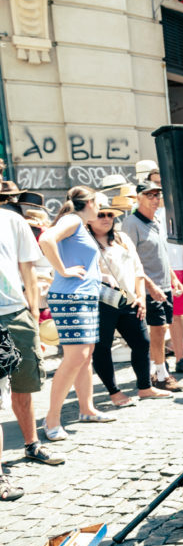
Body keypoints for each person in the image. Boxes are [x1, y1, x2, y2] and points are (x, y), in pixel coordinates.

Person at [38, 186, 115, 441]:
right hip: (71, 297)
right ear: (90, 202)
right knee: (76, 356)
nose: (102, 210)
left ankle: (87, 409)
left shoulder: (77, 223)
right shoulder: (72, 220)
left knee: (85, 355)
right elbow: (46, 239)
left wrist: (98, 276)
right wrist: (63, 270)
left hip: (83, 296)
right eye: (99, 204)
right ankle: (51, 420)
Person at [0, 199, 62, 501]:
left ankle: (31, 443)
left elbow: (28, 270)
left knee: (25, 382)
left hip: (15, 312)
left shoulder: (12, 221)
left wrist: (34, 314)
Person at [87, 194, 169, 406]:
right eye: (100, 215)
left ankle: (145, 387)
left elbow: (138, 270)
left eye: (110, 215)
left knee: (142, 343)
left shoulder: (122, 238)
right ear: (89, 218)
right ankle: (114, 393)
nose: (106, 219)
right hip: (102, 303)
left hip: (129, 300)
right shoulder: (86, 242)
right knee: (102, 348)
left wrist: (141, 296)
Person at [121, 177, 183, 392]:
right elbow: (130, 260)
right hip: (147, 286)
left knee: (163, 329)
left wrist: (173, 278)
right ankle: (161, 375)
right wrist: (150, 286)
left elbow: (161, 254)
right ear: (138, 198)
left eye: (157, 194)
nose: (155, 199)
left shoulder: (156, 221)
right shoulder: (131, 224)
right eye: (149, 195)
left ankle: (155, 370)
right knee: (158, 330)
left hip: (163, 283)